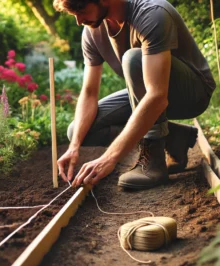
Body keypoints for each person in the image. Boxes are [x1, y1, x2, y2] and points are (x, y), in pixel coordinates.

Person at [53, 0, 216, 190]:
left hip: (192, 94)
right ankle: (175, 137)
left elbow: (157, 95)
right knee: (78, 132)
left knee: (133, 59)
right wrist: (74, 146)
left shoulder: (150, 13)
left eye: (80, 9)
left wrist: (109, 158)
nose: (78, 21)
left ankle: (153, 162)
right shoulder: (92, 32)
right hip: (152, 92)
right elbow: (89, 93)